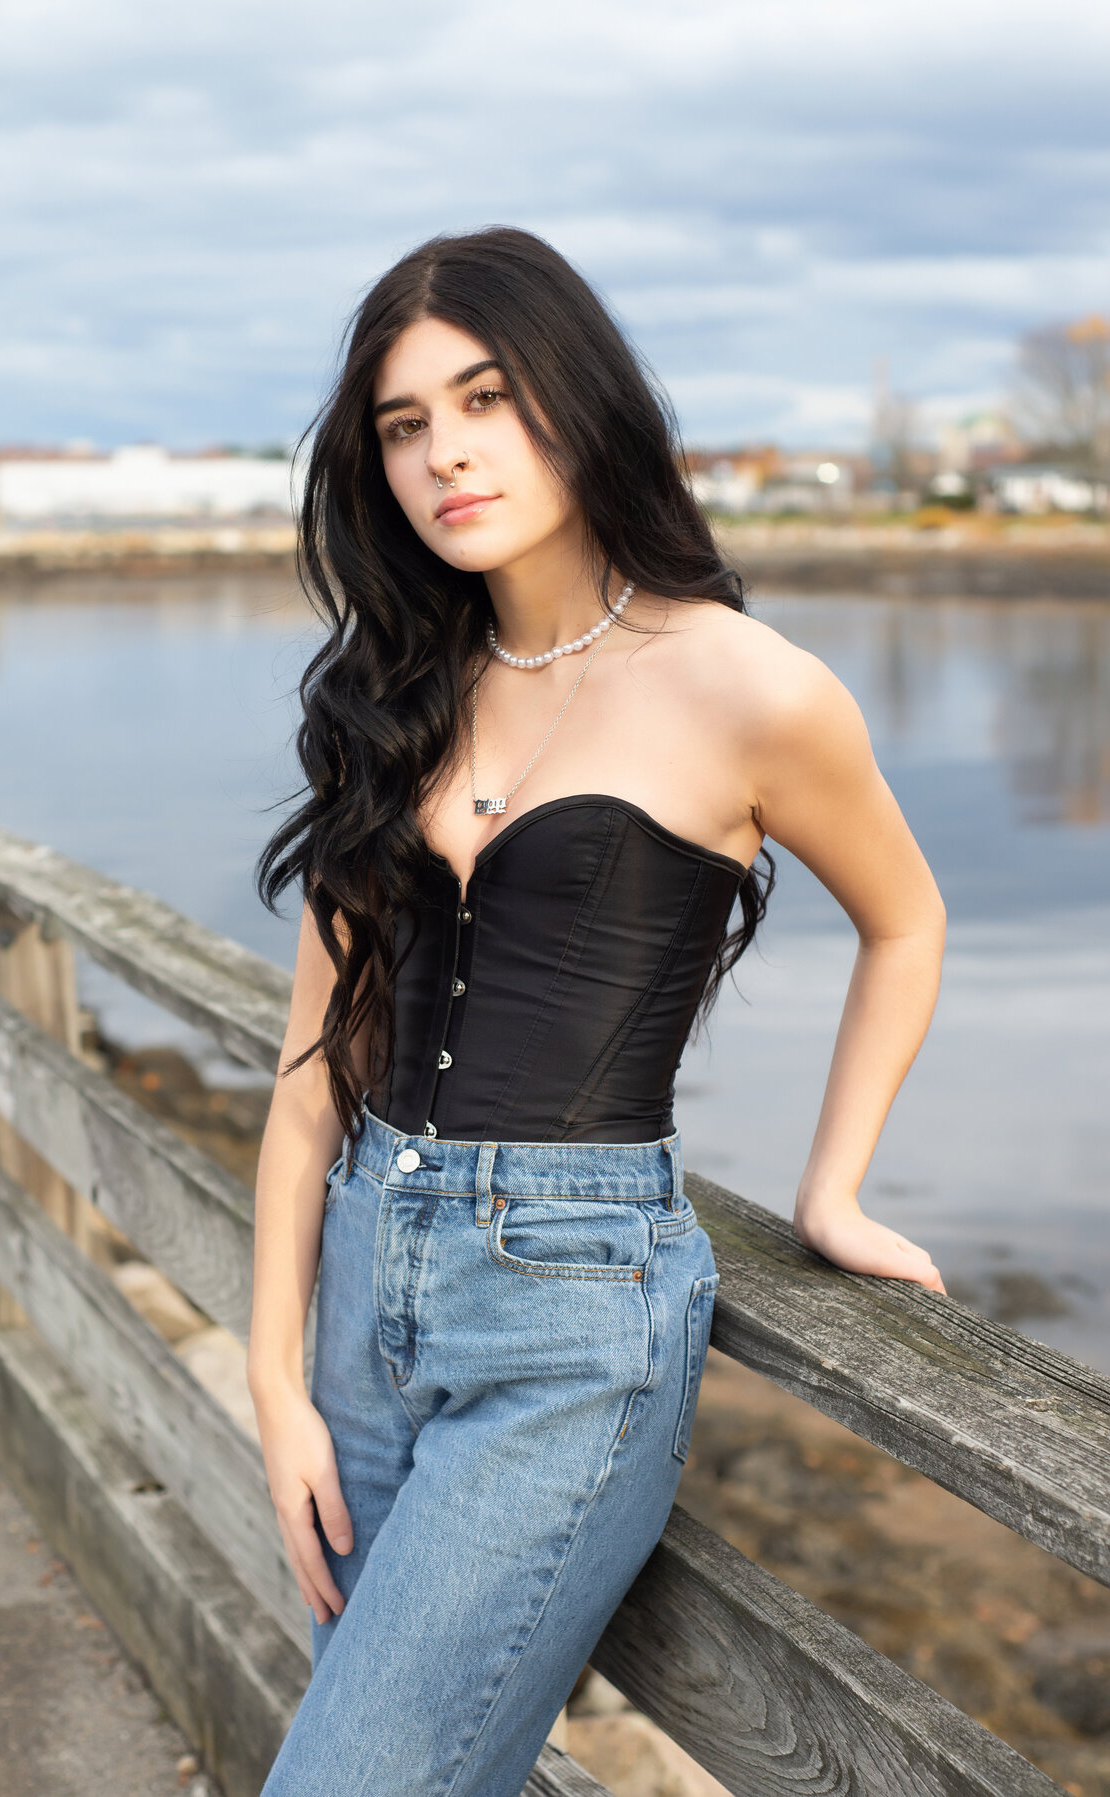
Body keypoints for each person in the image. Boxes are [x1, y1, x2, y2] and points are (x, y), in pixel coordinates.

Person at [246, 227, 947, 1797]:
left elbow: (907, 920)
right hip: (366, 1280)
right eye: (404, 424)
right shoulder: (397, 686)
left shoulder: (748, 686)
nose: (444, 455)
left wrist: (831, 1188)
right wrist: (275, 1382)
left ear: (572, 393)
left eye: (483, 399)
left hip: (573, 1317)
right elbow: (310, 1082)